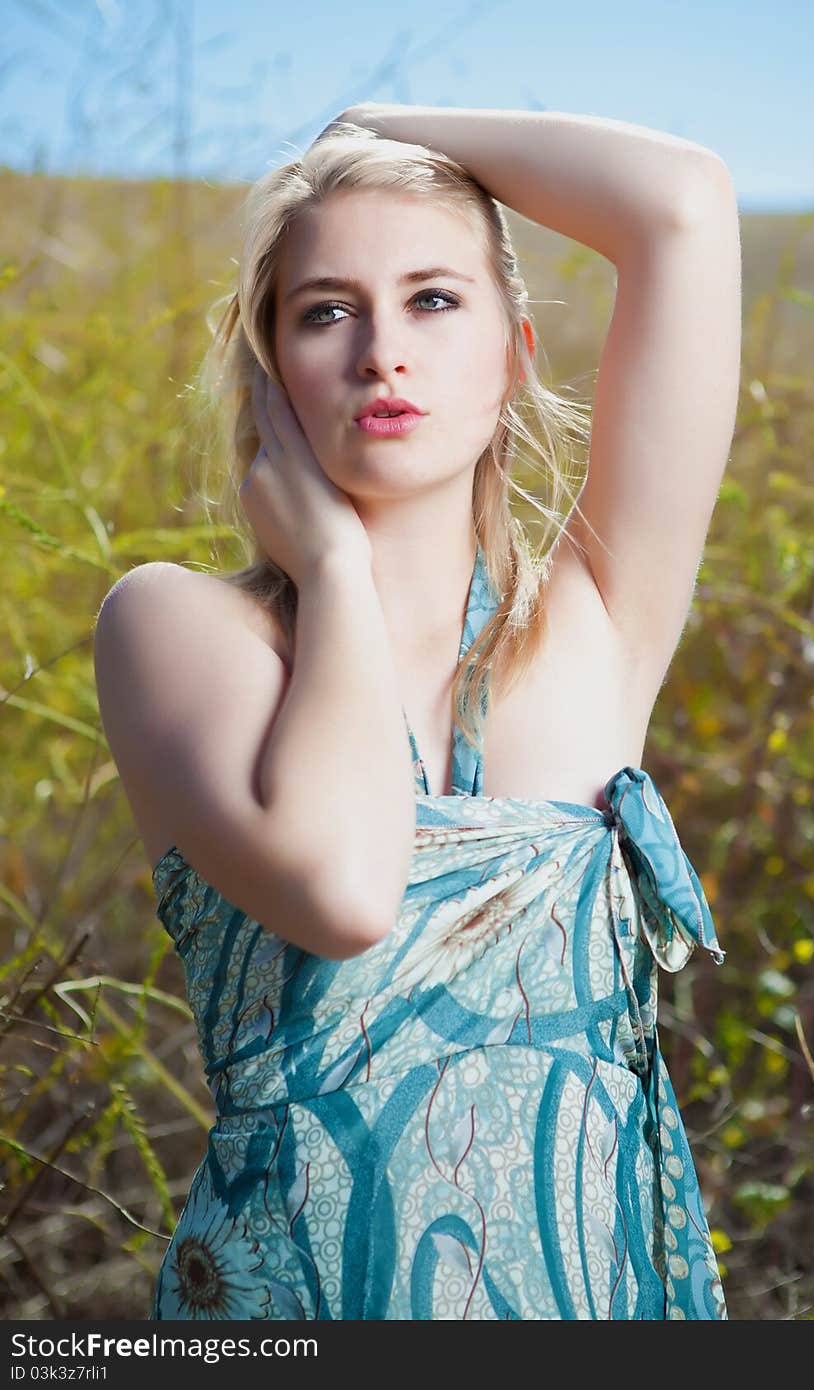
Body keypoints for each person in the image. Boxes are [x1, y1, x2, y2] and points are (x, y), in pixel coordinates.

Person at [93, 102, 741, 1319]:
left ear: (517, 354)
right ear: (271, 367)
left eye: (435, 299)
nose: (382, 350)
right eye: (325, 309)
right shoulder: (181, 628)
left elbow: (683, 202)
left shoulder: (594, 627)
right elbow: (343, 892)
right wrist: (333, 572)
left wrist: (369, 126)